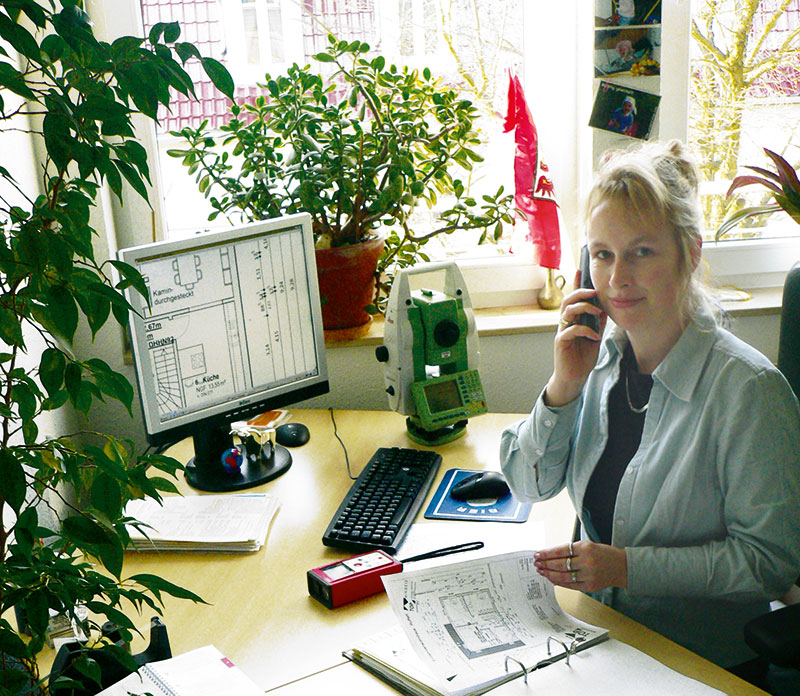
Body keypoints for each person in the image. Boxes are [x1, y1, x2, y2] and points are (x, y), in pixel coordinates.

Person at [499, 140, 800, 677]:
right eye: (603, 254)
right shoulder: (599, 360)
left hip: (699, 663)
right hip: (598, 639)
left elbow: (770, 565)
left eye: (642, 252)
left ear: (691, 253)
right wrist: (563, 385)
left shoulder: (749, 391)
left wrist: (627, 568)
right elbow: (529, 484)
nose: (617, 279)